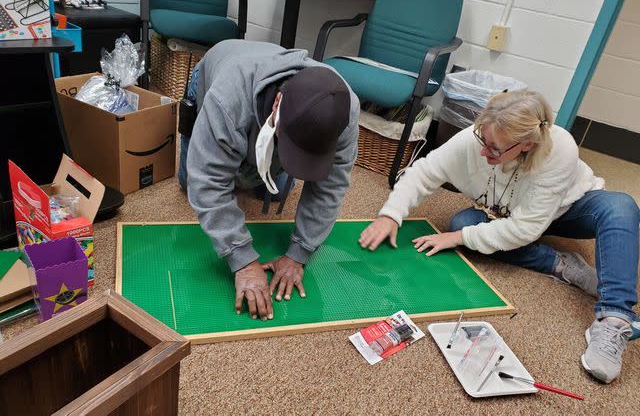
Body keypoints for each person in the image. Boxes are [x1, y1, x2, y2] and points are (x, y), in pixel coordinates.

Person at [359, 91, 639, 384]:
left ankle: (614, 318)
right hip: (510, 215)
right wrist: (390, 214)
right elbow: (424, 172)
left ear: (527, 144)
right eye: (483, 138)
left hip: (568, 211)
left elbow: (525, 230)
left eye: (494, 149)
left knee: (621, 207)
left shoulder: (561, 147)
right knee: (463, 222)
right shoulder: (475, 139)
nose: (483, 151)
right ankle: (560, 264)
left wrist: (457, 239)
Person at [186, 40, 359, 322]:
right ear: (277, 104)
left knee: (275, 192)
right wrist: (242, 259)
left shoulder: (346, 111)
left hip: (263, 92)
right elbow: (207, 181)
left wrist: (300, 252)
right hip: (214, 72)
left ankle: (255, 161)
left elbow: (331, 186)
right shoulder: (227, 100)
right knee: (191, 178)